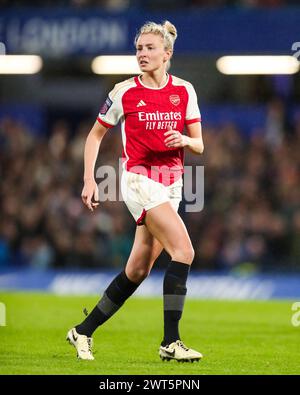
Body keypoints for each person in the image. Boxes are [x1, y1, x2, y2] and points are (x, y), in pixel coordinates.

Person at [66, 20, 204, 362]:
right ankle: (170, 342)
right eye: (139, 48)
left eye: (149, 48)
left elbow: (199, 145)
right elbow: (95, 135)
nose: (142, 54)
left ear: (167, 53)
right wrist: (88, 178)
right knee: (184, 251)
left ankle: (82, 331)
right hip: (139, 180)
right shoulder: (124, 92)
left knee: (138, 270)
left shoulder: (184, 90)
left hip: (172, 183)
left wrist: (185, 139)